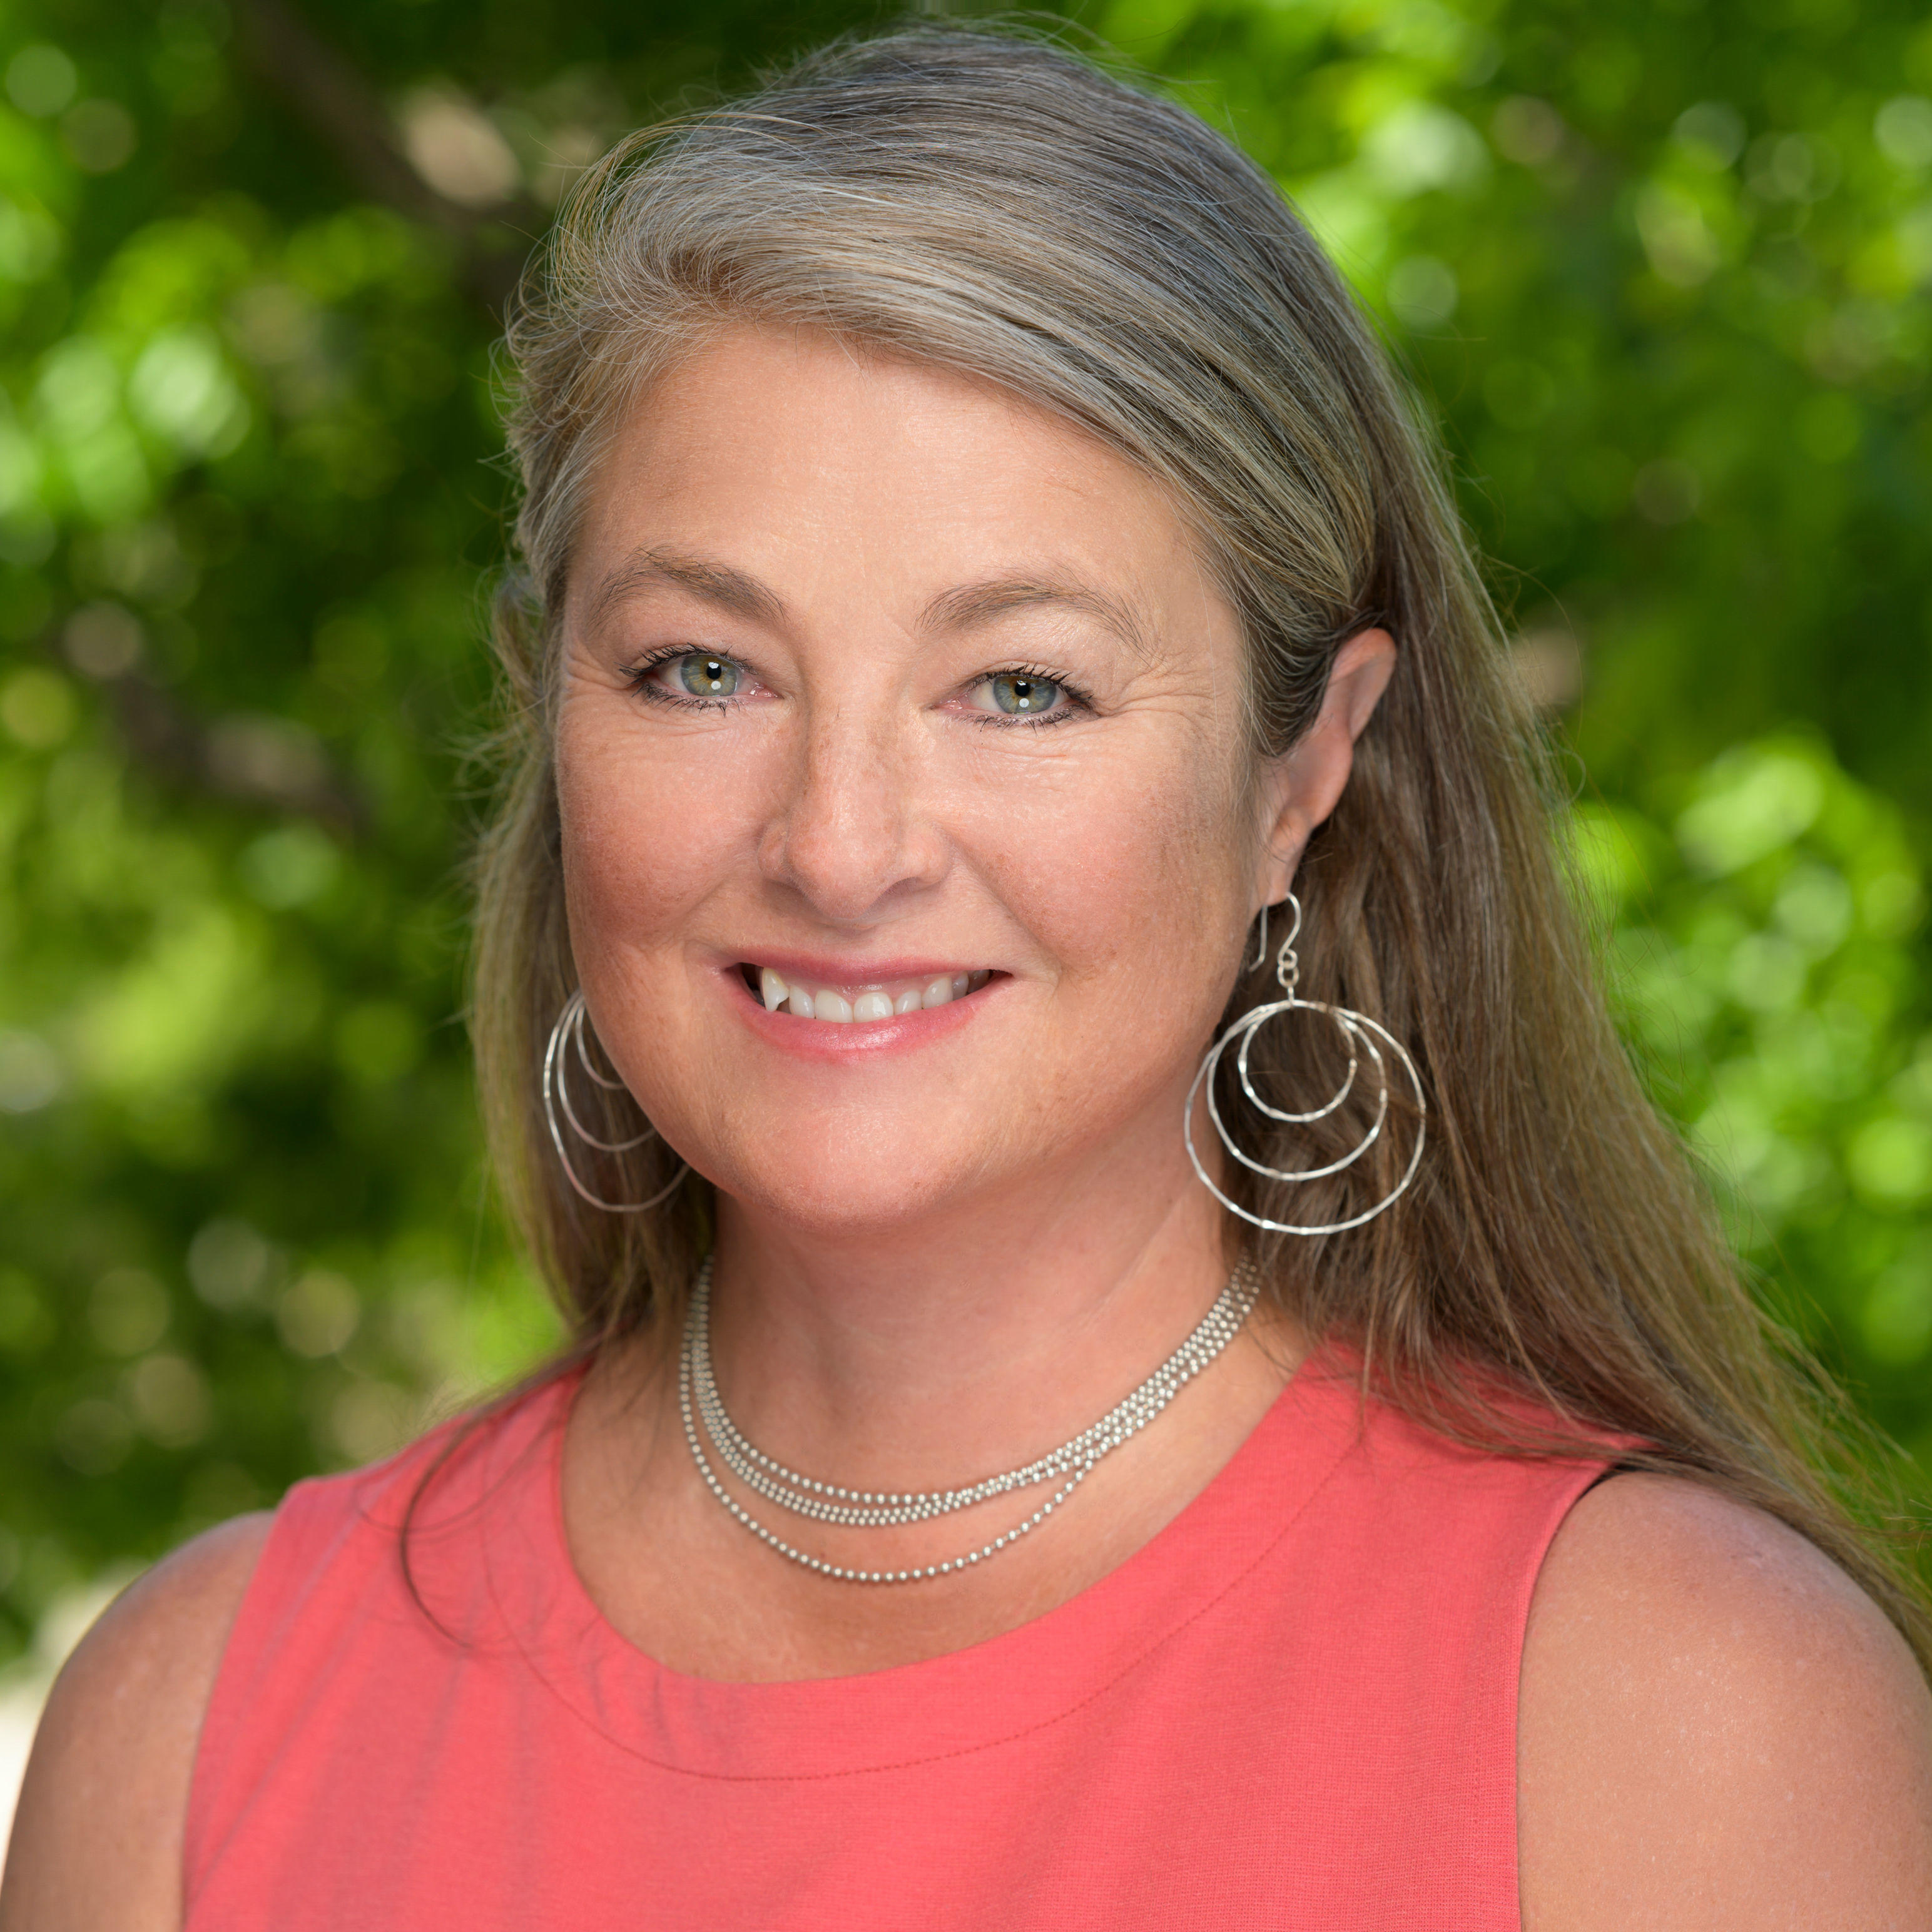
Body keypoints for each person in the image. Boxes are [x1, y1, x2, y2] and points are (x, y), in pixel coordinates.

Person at [5, 27, 1929, 1930]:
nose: (842, 846)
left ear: (1304, 771)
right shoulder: (186, 1746)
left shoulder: (1679, 1727)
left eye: (1023, 686)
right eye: (703, 670)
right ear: (548, 710)